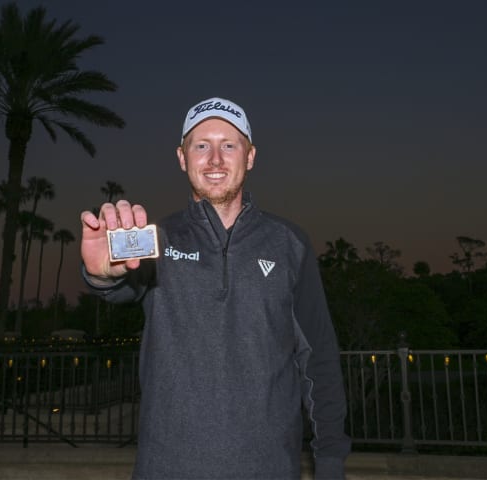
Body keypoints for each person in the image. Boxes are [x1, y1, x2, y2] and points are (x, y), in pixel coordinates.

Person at [80, 97, 350, 479]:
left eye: (229, 145)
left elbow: (318, 359)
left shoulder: (290, 243)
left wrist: (330, 461)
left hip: (269, 469)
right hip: (166, 468)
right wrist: (102, 274)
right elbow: (118, 286)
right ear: (182, 157)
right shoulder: (156, 238)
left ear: (251, 156)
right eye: (201, 145)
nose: (216, 159)